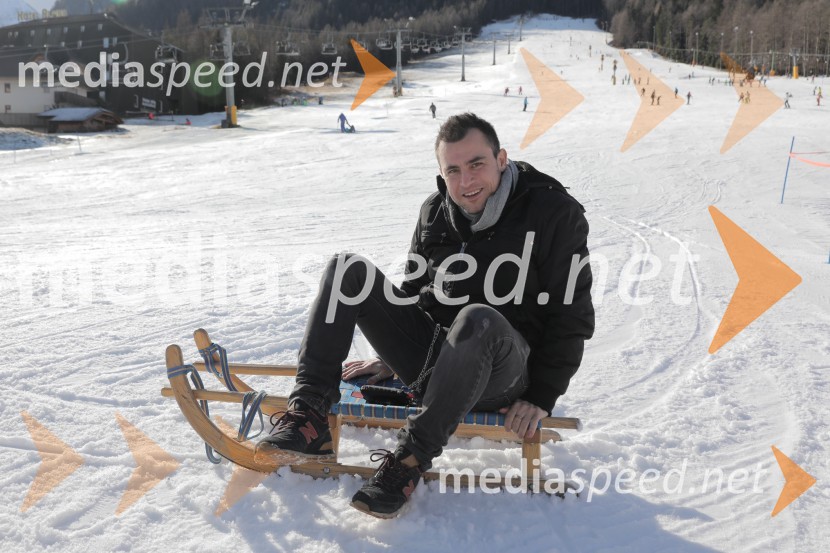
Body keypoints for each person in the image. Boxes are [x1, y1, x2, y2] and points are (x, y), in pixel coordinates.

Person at [255, 113, 595, 518]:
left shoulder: (553, 212)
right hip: (438, 358)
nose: (466, 182)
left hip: (504, 372)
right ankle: (309, 417)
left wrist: (541, 395)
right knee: (348, 270)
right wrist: (390, 355)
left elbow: (571, 313)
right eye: (453, 170)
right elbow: (416, 293)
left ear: (501, 159)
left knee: (478, 317)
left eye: (476, 164)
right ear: (441, 172)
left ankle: (409, 462)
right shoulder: (435, 211)